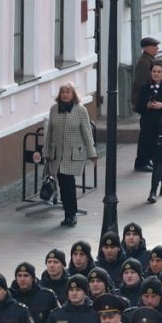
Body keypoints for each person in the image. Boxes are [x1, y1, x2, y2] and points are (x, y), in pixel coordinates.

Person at [43, 83, 97, 228]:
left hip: (73, 154)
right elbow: (49, 133)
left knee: (69, 184)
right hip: (57, 155)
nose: (65, 95)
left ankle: (71, 215)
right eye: (63, 92)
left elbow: (87, 132)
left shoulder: (80, 110)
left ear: (73, 94)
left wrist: (92, 153)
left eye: (68, 92)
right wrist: (46, 152)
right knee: (62, 184)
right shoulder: (54, 110)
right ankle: (67, 214)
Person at [135, 62, 162, 204]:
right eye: (154, 71)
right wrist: (147, 106)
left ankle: (153, 190)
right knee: (155, 158)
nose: (156, 74)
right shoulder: (144, 88)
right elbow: (138, 107)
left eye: (159, 72)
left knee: (158, 158)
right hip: (148, 127)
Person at [131, 37, 160, 171]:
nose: (157, 48)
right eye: (154, 46)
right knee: (146, 135)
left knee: (151, 134)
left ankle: (146, 159)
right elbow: (142, 85)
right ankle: (141, 161)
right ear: (146, 48)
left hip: (151, 104)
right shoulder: (144, 63)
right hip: (147, 105)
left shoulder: (150, 61)